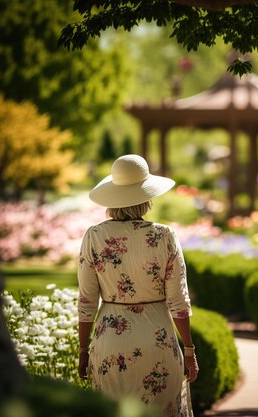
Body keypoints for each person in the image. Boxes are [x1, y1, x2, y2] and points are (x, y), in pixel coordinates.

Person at [77, 154, 197, 416]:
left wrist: (83, 350)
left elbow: (86, 301)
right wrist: (189, 350)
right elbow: (179, 301)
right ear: (146, 198)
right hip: (158, 341)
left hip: (110, 342)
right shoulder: (164, 235)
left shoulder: (95, 236)